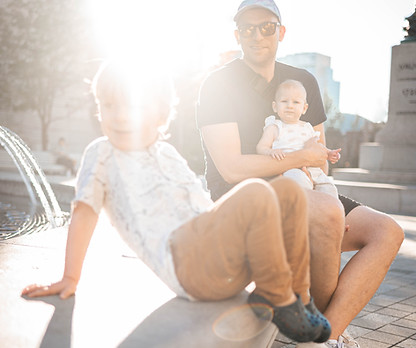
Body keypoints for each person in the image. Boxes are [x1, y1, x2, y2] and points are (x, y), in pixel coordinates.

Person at [21, 59, 331, 344]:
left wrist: (236, 227)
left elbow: (201, 206)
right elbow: (84, 211)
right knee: (257, 191)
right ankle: (280, 300)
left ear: (160, 113)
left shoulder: (166, 152)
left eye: (133, 107)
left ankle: (298, 297)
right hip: (188, 264)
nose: (118, 115)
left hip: (223, 258)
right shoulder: (102, 153)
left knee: (289, 193)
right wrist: (70, 277)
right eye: (108, 105)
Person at [197, 0, 404, 347]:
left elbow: (319, 159)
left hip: (304, 187)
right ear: (237, 34)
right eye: (247, 28)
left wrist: (312, 172)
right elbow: (231, 168)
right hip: (244, 198)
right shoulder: (217, 84)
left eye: (266, 26)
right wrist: (300, 163)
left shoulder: (302, 81)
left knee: (388, 231)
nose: (256, 35)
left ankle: (326, 337)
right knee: (325, 212)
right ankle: (321, 334)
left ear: (281, 32)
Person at [256, 79, 340, 198]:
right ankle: (306, 210)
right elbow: (261, 147)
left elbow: (317, 147)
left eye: (296, 102)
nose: (290, 106)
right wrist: (271, 151)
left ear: (304, 108)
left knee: (330, 189)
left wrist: (328, 153)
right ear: (275, 106)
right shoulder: (275, 127)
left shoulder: (307, 127)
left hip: (313, 169)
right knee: (299, 182)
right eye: (284, 101)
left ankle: (327, 209)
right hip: (290, 168)